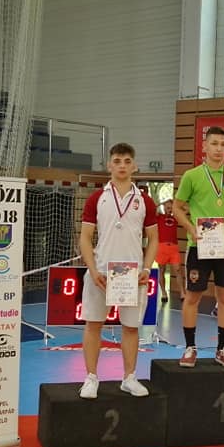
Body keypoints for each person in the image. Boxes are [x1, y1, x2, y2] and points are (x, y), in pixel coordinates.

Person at [78, 143, 159, 399]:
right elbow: (85, 238)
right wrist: (92, 270)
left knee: (131, 327)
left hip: (132, 275)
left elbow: (153, 239)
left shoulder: (145, 200)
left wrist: (147, 268)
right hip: (101, 272)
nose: (122, 165)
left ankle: (129, 378)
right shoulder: (96, 198)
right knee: (93, 324)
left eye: (126, 161)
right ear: (109, 165)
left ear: (134, 166)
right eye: (117, 161)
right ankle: (91, 378)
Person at [173, 126, 224, 368]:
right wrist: (191, 228)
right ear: (204, 146)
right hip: (200, 245)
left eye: (223, 144)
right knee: (193, 295)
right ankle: (190, 347)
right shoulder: (192, 176)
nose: (218, 149)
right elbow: (176, 207)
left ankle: (222, 348)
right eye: (214, 144)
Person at [154, 199, 182, 303]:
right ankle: (164, 293)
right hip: (162, 246)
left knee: (178, 270)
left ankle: (182, 292)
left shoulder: (176, 218)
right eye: (167, 207)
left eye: (171, 208)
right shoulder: (159, 217)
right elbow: (152, 209)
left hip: (173, 247)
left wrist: (176, 206)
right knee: (162, 270)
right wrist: (162, 203)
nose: (169, 210)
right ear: (164, 208)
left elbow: (187, 210)